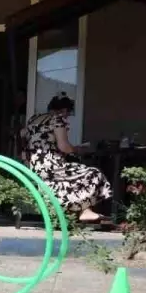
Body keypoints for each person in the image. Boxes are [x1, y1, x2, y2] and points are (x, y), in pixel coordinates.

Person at [21, 93, 111, 222]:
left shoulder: (34, 119)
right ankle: (85, 211)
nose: (67, 117)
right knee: (93, 173)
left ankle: (80, 210)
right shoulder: (57, 119)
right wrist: (77, 149)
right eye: (68, 113)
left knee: (76, 171)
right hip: (51, 166)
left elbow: (22, 135)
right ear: (64, 110)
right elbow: (64, 147)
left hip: (33, 166)